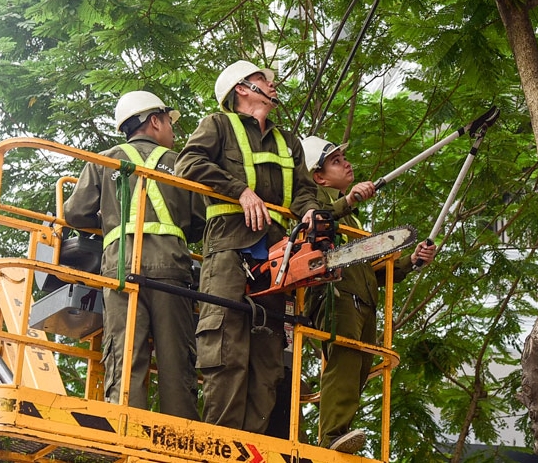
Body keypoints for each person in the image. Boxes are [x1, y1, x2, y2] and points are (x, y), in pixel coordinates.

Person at [174, 60, 320, 433]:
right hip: (228, 250)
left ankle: (253, 449)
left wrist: (310, 214)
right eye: (262, 80)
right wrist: (240, 191)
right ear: (241, 88)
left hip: (278, 256)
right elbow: (188, 163)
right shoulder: (218, 125)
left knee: (268, 358)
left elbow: (304, 190)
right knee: (225, 348)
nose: (272, 86)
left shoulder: (289, 143)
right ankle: (220, 443)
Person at [63, 90, 205, 419]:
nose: (172, 129)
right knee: (175, 360)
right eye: (169, 122)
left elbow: (75, 213)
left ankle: (125, 430)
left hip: (121, 270)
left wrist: (108, 219)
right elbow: (200, 219)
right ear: (154, 121)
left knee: (124, 355)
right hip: (171, 268)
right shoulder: (181, 164)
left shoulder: (106, 160)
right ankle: (179, 439)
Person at [300, 136, 436, 453]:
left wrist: (411, 262)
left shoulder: (351, 218)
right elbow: (311, 227)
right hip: (334, 293)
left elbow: (369, 269)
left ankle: (338, 431)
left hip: (363, 298)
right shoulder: (315, 199)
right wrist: (347, 201)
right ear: (318, 175)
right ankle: (331, 435)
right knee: (345, 357)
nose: (346, 163)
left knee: (360, 365)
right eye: (336, 161)